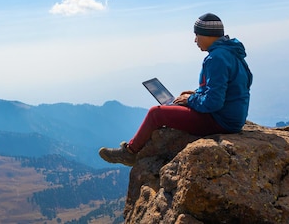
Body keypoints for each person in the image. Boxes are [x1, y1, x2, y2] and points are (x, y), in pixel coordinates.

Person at [99, 13, 253, 166]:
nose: (195, 40)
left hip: (221, 121)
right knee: (177, 102)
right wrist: (196, 95)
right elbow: (236, 86)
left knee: (156, 113)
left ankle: (130, 152)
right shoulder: (232, 53)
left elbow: (214, 103)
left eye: (197, 35)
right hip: (232, 117)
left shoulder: (216, 58)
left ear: (207, 35)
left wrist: (191, 100)